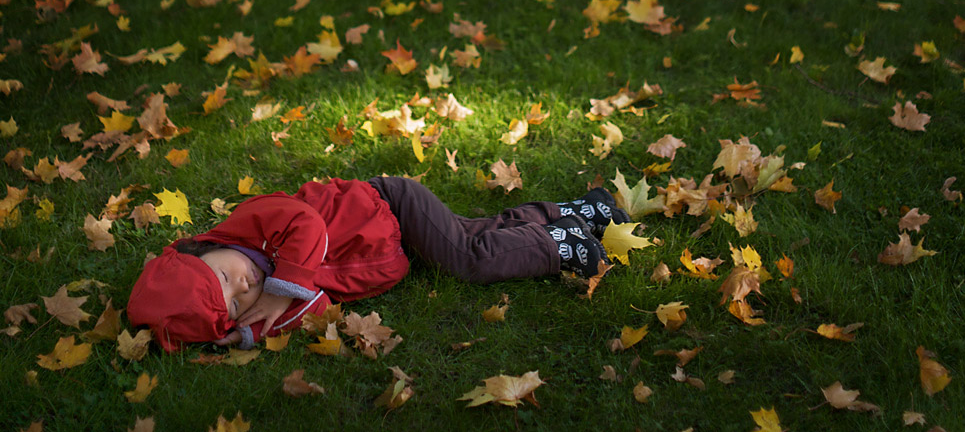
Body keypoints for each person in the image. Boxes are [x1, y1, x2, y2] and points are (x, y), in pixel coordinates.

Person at [127, 176, 629, 352]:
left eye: (222, 277)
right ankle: (581, 213)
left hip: (390, 207)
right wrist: (253, 331)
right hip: (394, 247)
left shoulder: (253, 221)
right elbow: (315, 303)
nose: (242, 284)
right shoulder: (277, 291)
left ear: (198, 249)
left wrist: (280, 289)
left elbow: (306, 227)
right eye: (238, 304)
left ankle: (558, 246)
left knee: (465, 258)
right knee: (479, 233)